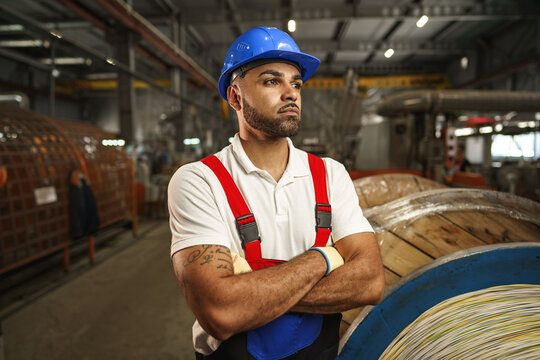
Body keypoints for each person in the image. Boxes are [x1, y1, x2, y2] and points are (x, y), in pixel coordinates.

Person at [168, 26, 385, 360]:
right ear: (236, 96)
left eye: (296, 82)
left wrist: (250, 293)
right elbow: (220, 312)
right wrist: (324, 257)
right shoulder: (199, 181)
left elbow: (370, 282)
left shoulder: (329, 174)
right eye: (272, 81)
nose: (291, 93)